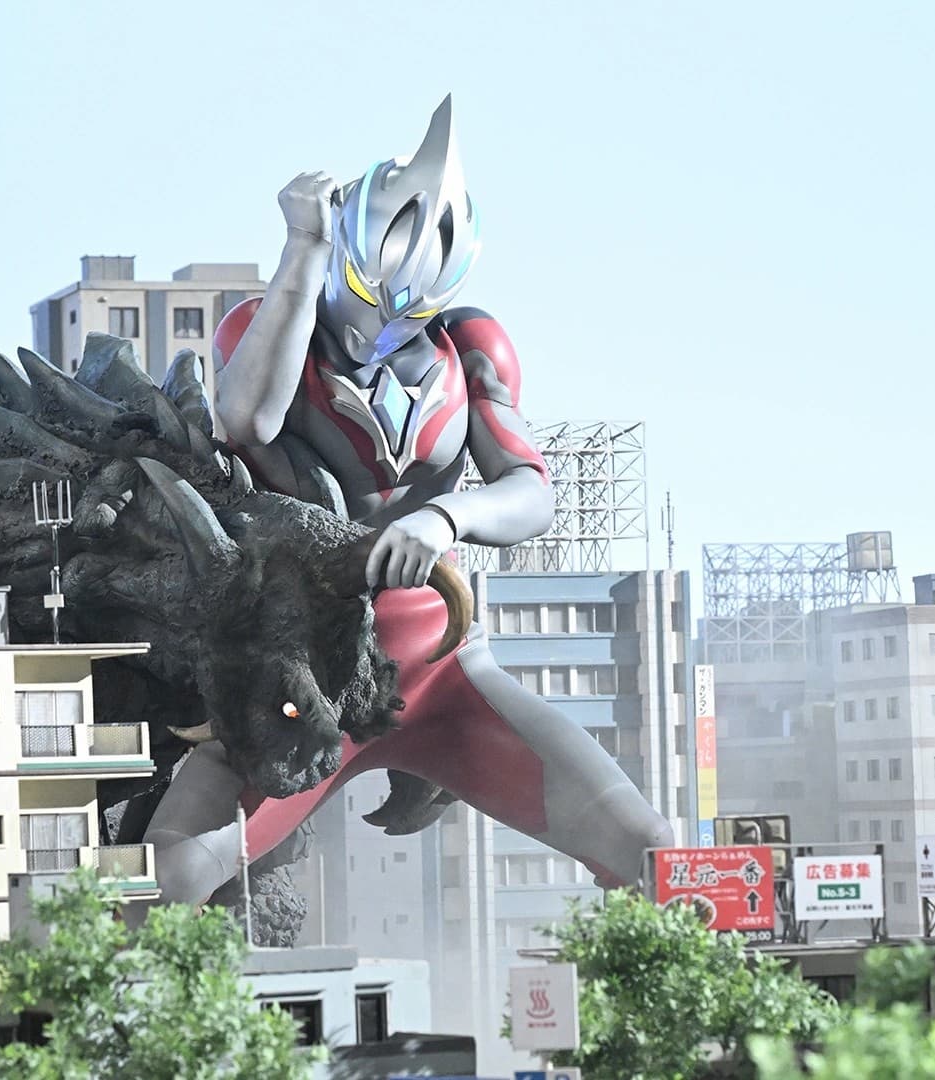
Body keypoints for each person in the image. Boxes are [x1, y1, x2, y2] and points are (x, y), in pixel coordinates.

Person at [141, 97, 674, 907]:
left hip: (442, 671)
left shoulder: (469, 349)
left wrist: (445, 516)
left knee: (650, 851)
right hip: (307, 681)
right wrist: (303, 247)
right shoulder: (268, 328)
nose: (382, 327)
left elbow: (531, 492)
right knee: (169, 876)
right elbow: (248, 420)